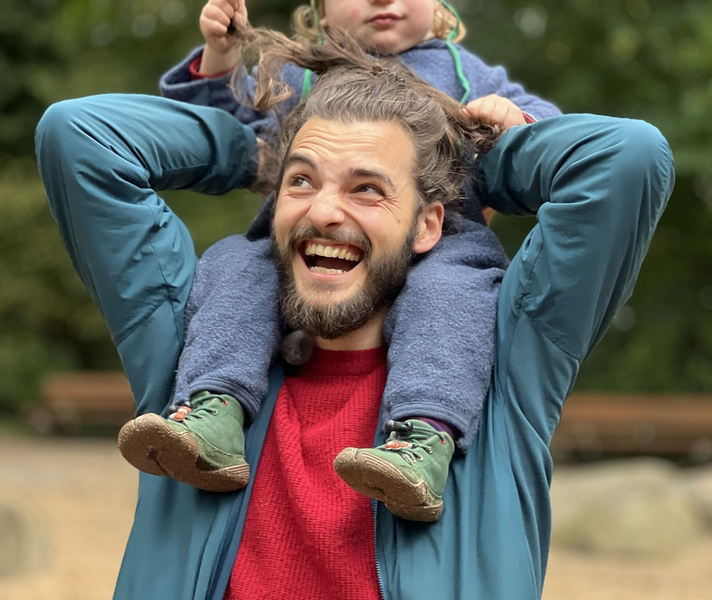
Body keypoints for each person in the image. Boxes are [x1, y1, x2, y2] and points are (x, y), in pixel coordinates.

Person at [35, 29, 674, 599]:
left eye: (367, 189)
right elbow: (79, 138)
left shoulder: (503, 368)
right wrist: (256, 155)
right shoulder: (193, 347)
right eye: (302, 181)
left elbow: (628, 158)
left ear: (428, 225)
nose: (323, 212)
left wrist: (490, 162)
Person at [121, 0, 561, 516]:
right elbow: (220, 122)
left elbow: (551, 130)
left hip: (443, 241)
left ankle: (423, 437)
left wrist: (515, 122)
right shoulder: (304, 70)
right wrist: (221, 56)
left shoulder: (466, 72)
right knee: (235, 264)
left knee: (452, 295)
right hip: (306, 246)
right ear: (320, 10)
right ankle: (212, 408)